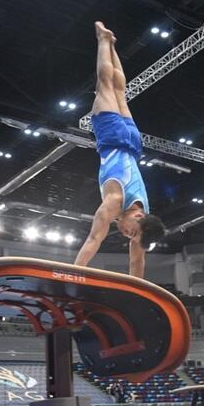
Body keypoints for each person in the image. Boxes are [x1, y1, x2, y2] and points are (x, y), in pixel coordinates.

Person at [74, 22, 165, 278]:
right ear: (139, 215)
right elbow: (94, 238)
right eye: (132, 232)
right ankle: (103, 40)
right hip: (113, 137)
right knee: (104, 84)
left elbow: (137, 265)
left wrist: (138, 292)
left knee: (120, 91)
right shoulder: (114, 202)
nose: (127, 234)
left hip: (134, 144)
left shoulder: (141, 219)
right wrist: (73, 273)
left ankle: (112, 44)